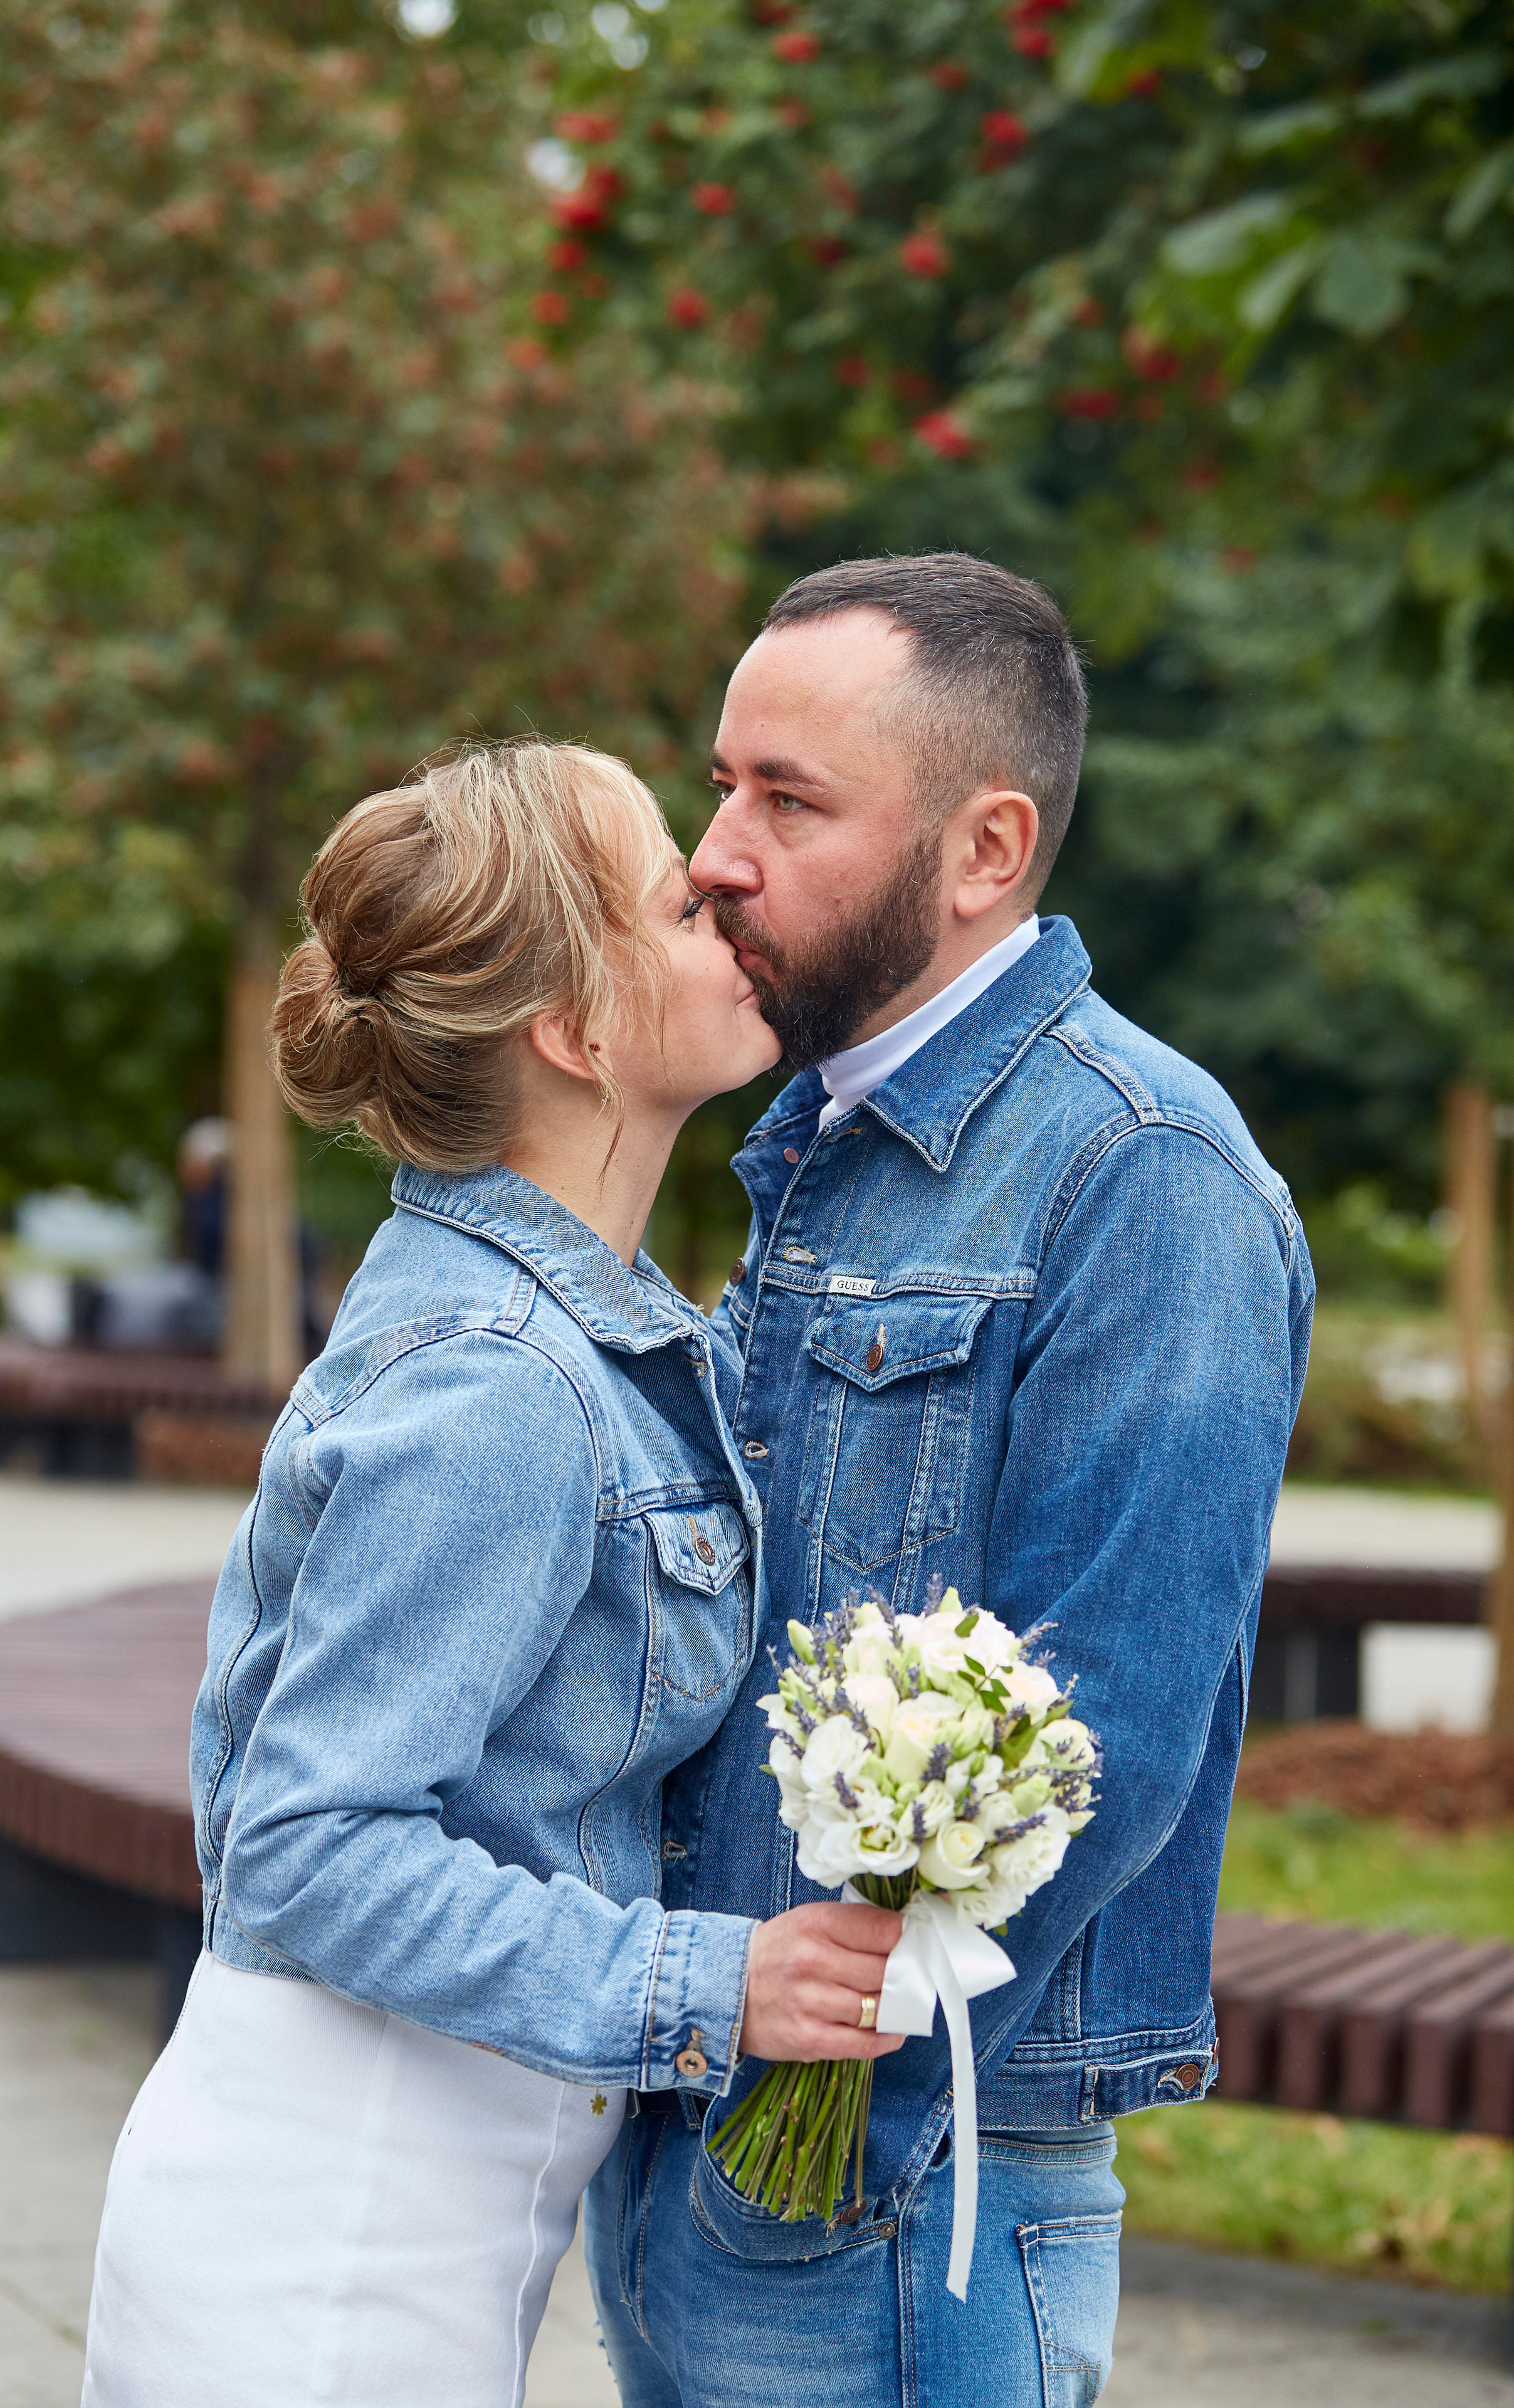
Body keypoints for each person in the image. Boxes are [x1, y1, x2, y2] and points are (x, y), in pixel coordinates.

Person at [80, 741, 908, 2408]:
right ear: (574, 1029)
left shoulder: (543, 1336)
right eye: (679, 899)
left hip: (392, 2210)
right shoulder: (504, 1387)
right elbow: (313, 1844)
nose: (729, 900)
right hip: (329, 2246)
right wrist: (717, 1980)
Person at [587, 556, 1315, 2407]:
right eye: (725, 781)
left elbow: (1107, 1734)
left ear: (987, 850)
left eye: (788, 799)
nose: (712, 853)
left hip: (903, 2180)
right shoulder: (821, 1138)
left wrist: (831, 2084)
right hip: (699, 2125)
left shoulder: (1140, 1175)